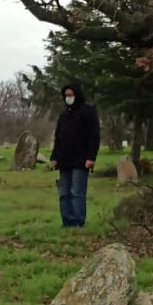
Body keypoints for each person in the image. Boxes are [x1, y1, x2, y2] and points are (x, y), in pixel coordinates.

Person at [50, 79, 100, 228]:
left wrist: (91, 157)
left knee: (77, 192)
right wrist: (54, 157)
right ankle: (67, 222)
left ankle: (78, 222)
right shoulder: (64, 114)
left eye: (71, 94)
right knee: (64, 193)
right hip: (64, 160)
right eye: (66, 95)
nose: (68, 97)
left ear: (77, 95)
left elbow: (94, 135)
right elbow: (58, 137)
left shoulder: (88, 111)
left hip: (81, 159)